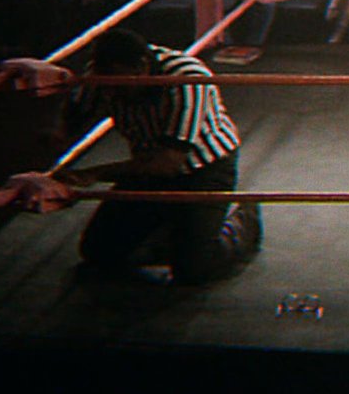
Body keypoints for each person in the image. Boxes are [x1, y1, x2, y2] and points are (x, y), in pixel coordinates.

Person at [52, 28, 260, 285]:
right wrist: (48, 161)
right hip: (146, 166)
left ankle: (241, 217)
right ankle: (174, 229)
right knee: (98, 251)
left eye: (117, 84)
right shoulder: (103, 76)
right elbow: (71, 120)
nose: (111, 93)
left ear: (141, 67)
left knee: (194, 268)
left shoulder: (186, 78)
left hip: (204, 168)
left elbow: (168, 163)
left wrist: (92, 174)